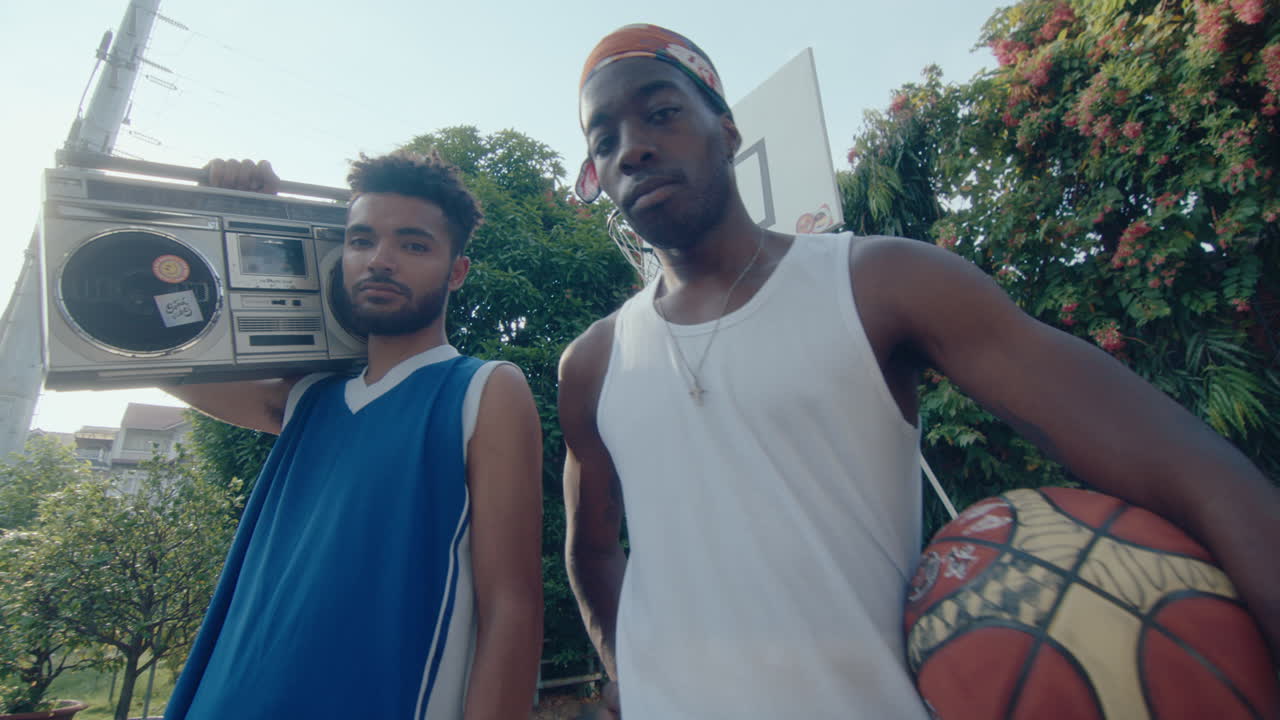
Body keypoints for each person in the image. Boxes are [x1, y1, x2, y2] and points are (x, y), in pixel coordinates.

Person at [557, 24, 1280, 719]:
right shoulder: (593, 363)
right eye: (606, 140)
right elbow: (591, 547)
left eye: (661, 113)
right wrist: (630, 669)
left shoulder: (879, 284)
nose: (635, 150)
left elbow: (1183, 463)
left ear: (729, 130)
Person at [163, 152, 544, 719]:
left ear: (456, 271)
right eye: (362, 241)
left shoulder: (482, 389)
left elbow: (512, 608)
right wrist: (238, 215)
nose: (381, 261)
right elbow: (160, 353)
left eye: (414, 245)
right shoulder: (307, 398)